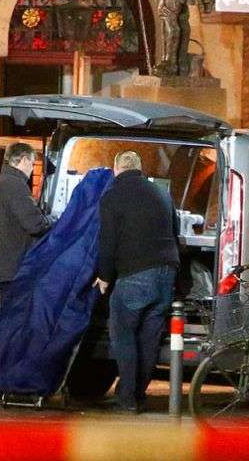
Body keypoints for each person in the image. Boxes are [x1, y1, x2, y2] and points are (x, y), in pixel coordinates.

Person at [95, 151, 180, 413]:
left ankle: (127, 400)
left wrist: (104, 276)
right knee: (149, 338)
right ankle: (135, 393)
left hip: (135, 275)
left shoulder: (113, 195)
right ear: (140, 169)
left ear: (116, 169)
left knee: (124, 335)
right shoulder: (162, 194)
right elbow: (174, 231)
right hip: (167, 274)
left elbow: (108, 240)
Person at [0, 142, 53, 293]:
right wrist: (53, 220)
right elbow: (35, 225)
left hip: (6, 269)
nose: (31, 169)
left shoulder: (0, 183)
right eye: (31, 163)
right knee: (17, 315)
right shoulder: (14, 185)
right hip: (17, 270)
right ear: (23, 160)